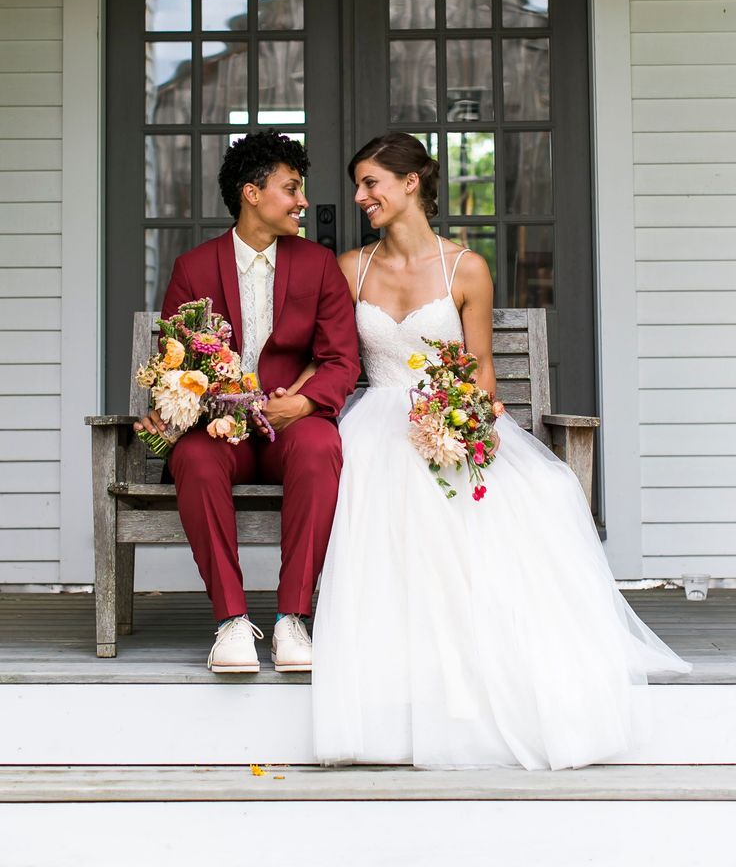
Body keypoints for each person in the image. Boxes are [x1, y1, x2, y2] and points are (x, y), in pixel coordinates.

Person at [312, 131, 690, 770]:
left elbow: (481, 367)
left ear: (410, 184)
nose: (360, 196)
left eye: (371, 183)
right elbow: (338, 362)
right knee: (382, 486)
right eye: (359, 185)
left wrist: (462, 419)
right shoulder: (351, 269)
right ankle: (400, 669)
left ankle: (481, 662)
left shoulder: (467, 268)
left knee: (540, 492)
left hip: (445, 411)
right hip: (375, 416)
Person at [135, 131, 360, 674]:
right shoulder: (193, 268)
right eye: (291, 188)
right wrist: (201, 406)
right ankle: (231, 621)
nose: (302, 200)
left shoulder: (318, 265)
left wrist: (303, 405)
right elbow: (176, 360)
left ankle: (291, 618)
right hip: (219, 430)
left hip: (291, 422)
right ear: (251, 194)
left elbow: (341, 359)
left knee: (320, 446)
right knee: (191, 457)